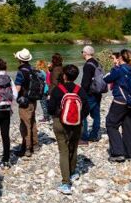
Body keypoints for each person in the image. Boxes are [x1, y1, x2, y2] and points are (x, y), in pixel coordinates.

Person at [47, 64, 88, 194]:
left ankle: (65, 183)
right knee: (73, 148)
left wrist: (59, 114)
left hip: (60, 123)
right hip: (76, 124)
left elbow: (50, 109)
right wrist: (78, 117)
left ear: (64, 75)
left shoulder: (58, 90)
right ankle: (72, 172)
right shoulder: (79, 90)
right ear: (76, 76)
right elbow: (86, 109)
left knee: (63, 151)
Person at [13, 49, 44, 157]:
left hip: (24, 102)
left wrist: (11, 100)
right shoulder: (33, 69)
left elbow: (17, 88)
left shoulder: (21, 72)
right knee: (32, 121)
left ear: (19, 59)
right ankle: (35, 145)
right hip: (33, 100)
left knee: (25, 124)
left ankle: (26, 149)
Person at [79, 45, 104, 145]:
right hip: (98, 91)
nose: (82, 54)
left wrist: (80, 93)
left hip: (89, 93)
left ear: (85, 53)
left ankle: (84, 136)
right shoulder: (97, 62)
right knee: (96, 114)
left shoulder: (88, 65)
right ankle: (94, 135)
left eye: (82, 52)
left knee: (83, 114)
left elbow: (85, 82)